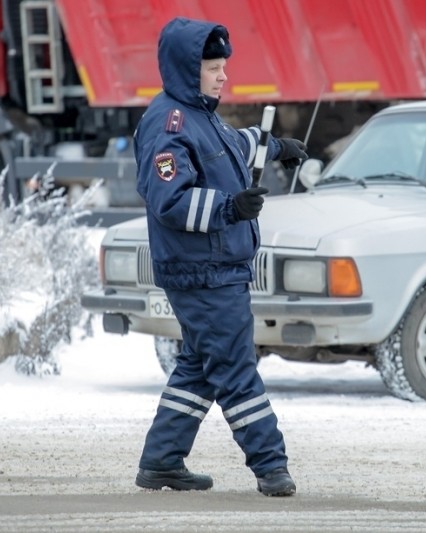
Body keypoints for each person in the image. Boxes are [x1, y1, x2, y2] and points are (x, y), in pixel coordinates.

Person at [132, 17, 307, 497]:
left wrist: (276, 146)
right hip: (201, 272)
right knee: (233, 366)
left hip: (215, 268)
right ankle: (271, 467)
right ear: (188, 71)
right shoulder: (167, 124)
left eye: (223, 66)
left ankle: (162, 462)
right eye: (213, 67)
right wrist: (230, 207)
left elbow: (233, 145)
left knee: (200, 364)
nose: (222, 75)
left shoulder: (199, 115)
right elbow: (169, 201)